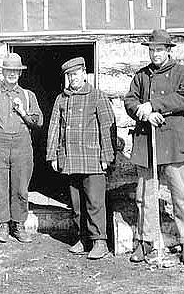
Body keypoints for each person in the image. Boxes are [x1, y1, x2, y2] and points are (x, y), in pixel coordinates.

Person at [123, 29, 184, 265]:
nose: (155, 54)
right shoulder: (141, 76)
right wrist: (144, 115)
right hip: (148, 141)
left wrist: (154, 105)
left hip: (173, 140)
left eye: (159, 50)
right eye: (152, 50)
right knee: (145, 195)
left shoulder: (182, 72)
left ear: (168, 50)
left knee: (181, 194)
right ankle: (146, 241)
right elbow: (129, 101)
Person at [46, 57, 116, 260]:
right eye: (69, 75)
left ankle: (99, 242)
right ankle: (83, 239)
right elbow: (54, 128)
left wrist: (107, 156)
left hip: (93, 159)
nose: (72, 78)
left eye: (76, 74)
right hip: (70, 160)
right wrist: (53, 155)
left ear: (84, 74)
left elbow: (107, 127)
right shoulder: (62, 98)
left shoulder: (97, 96)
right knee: (77, 204)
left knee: (95, 202)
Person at [0, 53, 43, 243]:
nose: (11, 74)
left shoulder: (28, 96)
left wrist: (22, 111)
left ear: (20, 74)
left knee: (21, 186)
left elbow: (38, 122)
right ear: (3, 72)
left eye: (15, 71)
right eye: (8, 70)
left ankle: (18, 224)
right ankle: (2, 224)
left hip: (22, 144)